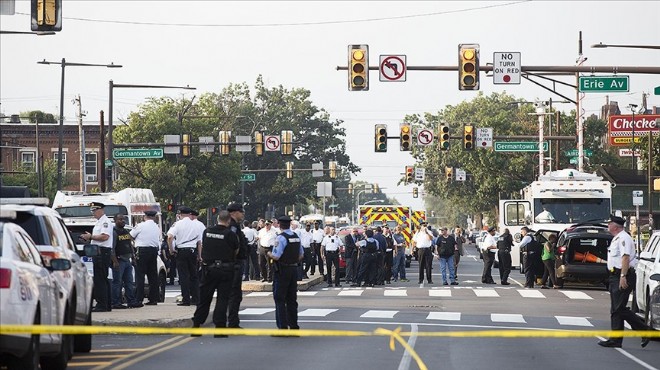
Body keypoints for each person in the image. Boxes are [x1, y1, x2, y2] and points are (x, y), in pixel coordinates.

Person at [598, 215, 651, 349]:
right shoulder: (617, 238)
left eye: (609, 223)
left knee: (619, 309)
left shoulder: (624, 238)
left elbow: (625, 258)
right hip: (615, 275)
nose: (608, 225)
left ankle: (644, 330)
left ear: (615, 226)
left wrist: (623, 276)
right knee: (616, 309)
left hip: (622, 275)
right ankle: (616, 339)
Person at [191, 211, 240, 338]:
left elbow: (203, 245)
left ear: (217, 219)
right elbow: (236, 250)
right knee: (222, 300)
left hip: (209, 270)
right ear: (228, 221)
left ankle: (196, 325)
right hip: (225, 270)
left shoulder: (207, 232)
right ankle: (219, 328)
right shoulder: (230, 234)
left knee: (204, 299)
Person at [267, 216, 304, 332]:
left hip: (282, 270)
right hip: (293, 270)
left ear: (279, 224)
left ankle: (282, 326)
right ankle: (293, 325)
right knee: (292, 299)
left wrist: (268, 253)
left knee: (280, 298)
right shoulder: (296, 237)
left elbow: (276, 256)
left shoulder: (281, 238)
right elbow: (301, 255)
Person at [81, 202, 114, 312]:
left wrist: (90, 237)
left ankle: (102, 305)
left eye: (94, 211)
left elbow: (105, 237)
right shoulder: (99, 222)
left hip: (102, 252)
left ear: (100, 210)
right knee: (102, 279)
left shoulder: (105, 222)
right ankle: (106, 304)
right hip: (99, 252)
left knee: (101, 280)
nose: (93, 213)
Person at [167, 207, 201, 306]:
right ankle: (196, 299)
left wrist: (171, 249)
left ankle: (186, 299)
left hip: (181, 252)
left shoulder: (178, 224)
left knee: (183, 276)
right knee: (194, 276)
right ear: (189, 214)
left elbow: (170, 237)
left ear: (180, 214)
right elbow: (199, 242)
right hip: (192, 252)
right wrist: (199, 255)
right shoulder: (195, 225)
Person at [131, 210, 162, 305]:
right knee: (153, 276)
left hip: (142, 251)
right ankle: (153, 299)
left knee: (140, 275)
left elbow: (130, 235)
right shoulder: (157, 227)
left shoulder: (140, 226)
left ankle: (138, 299)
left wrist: (135, 242)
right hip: (153, 251)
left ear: (145, 216)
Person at [111, 214, 142, 309]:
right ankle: (116, 302)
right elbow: (112, 248)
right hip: (119, 260)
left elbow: (130, 245)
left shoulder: (125, 232)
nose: (123, 221)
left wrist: (133, 257)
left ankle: (131, 301)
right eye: (120, 219)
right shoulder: (114, 232)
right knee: (117, 282)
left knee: (129, 282)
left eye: (123, 219)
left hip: (127, 260)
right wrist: (115, 261)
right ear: (115, 220)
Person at [226, 202, 248, 329]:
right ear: (233, 213)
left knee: (233, 294)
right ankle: (233, 322)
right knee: (234, 295)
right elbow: (234, 246)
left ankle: (232, 320)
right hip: (234, 264)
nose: (243, 214)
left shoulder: (234, 226)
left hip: (233, 264)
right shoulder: (233, 227)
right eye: (241, 211)